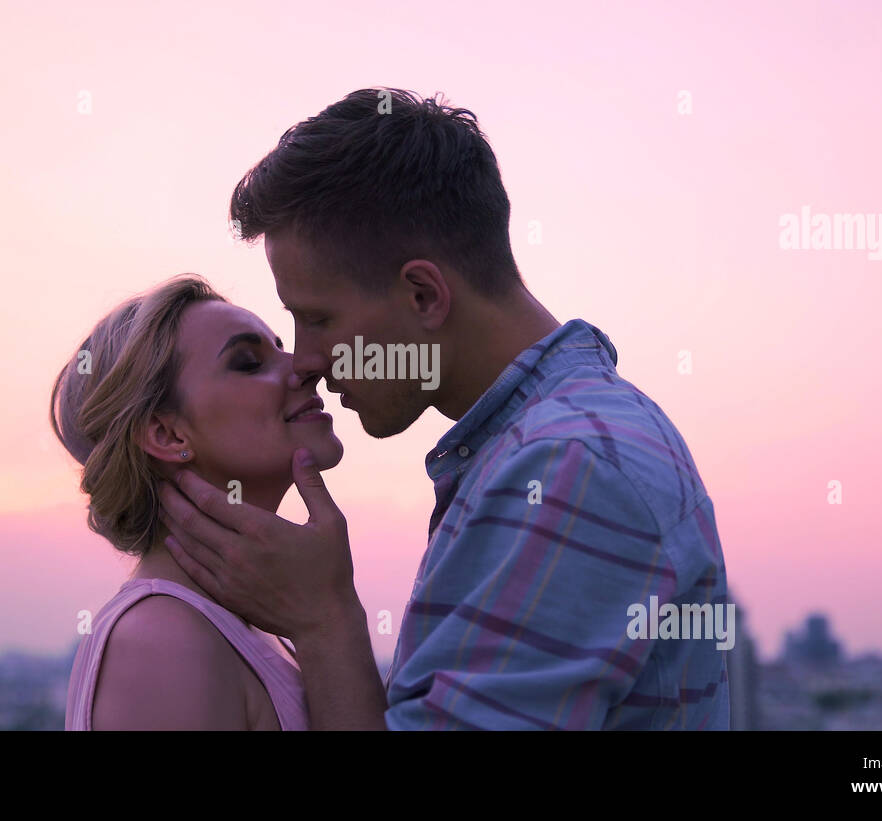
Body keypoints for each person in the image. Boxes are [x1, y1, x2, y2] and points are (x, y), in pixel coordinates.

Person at [157, 88, 731, 730]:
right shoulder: (552, 445)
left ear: (424, 295)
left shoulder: (566, 466)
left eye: (317, 318)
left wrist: (324, 621)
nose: (306, 360)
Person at [54, 274, 342, 730]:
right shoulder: (163, 639)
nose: (306, 366)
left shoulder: (249, 624)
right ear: (167, 434)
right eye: (248, 362)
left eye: (280, 346)